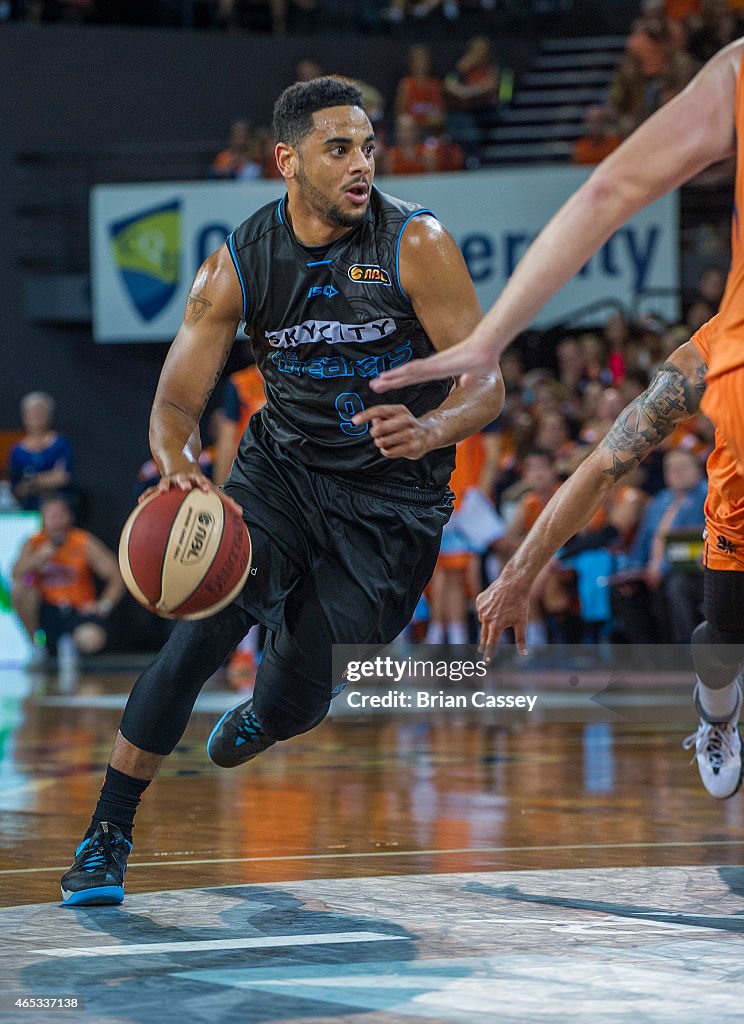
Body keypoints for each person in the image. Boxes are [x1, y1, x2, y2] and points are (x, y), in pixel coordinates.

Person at [59, 76, 504, 906]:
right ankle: (107, 833)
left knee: (302, 686)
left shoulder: (418, 243)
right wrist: (177, 460)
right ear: (287, 161)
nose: (361, 164)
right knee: (196, 637)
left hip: (392, 502)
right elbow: (175, 401)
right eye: (340, 149)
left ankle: (273, 713)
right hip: (282, 476)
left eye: (368, 147)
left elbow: (488, 385)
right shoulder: (239, 260)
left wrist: (434, 429)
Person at [473, 315, 744, 800]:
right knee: (723, 641)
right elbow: (601, 466)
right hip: (737, 522)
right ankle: (718, 713)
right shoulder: (714, 352)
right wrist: (518, 575)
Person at [12, 493, 124, 664]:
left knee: (92, 639)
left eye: (59, 515)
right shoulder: (35, 543)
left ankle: (73, 646)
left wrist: (103, 605)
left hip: (76, 609)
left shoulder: (83, 541)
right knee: (20, 589)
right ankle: (37, 645)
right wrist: (38, 558)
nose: (55, 521)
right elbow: (16, 574)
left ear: (69, 517)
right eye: (50, 516)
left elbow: (116, 575)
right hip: (47, 610)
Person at [9, 392, 73, 512]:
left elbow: (62, 477)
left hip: (57, 510)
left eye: (39, 412)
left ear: (48, 415)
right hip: (28, 510)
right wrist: (46, 479)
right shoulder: (17, 451)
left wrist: (32, 481)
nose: (35, 417)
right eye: (31, 413)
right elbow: (16, 488)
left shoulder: (60, 444)